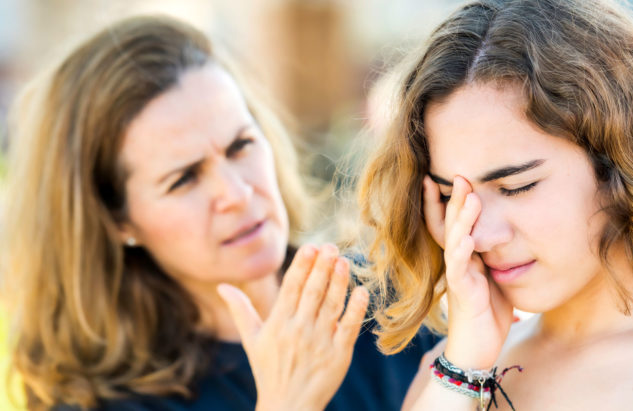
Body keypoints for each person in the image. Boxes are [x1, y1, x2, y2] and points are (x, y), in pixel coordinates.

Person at [2, 15, 435, 411]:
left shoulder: (388, 300)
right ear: (117, 221)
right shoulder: (98, 401)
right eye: (184, 178)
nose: (236, 192)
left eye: (240, 145)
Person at [358, 0, 633, 409]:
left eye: (517, 186)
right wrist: (462, 373)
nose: (479, 235)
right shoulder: (453, 371)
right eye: (451, 197)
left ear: (621, 163)